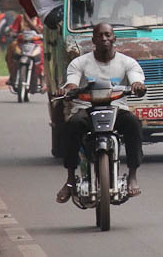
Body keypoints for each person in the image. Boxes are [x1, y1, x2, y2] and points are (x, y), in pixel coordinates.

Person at [55, 23, 147, 203]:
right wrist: (67, 91)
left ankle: (132, 175)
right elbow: (72, 84)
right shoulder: (79, 63)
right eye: (100, 36)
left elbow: (137, 80)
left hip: (116, 109)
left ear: (114, 38)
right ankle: (70, 179)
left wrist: (137, 86)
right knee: (72, 126)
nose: (104, 39)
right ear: (93, 40)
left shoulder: (128, 63)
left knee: (134, 124)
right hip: (85, 109)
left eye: (108, 35)